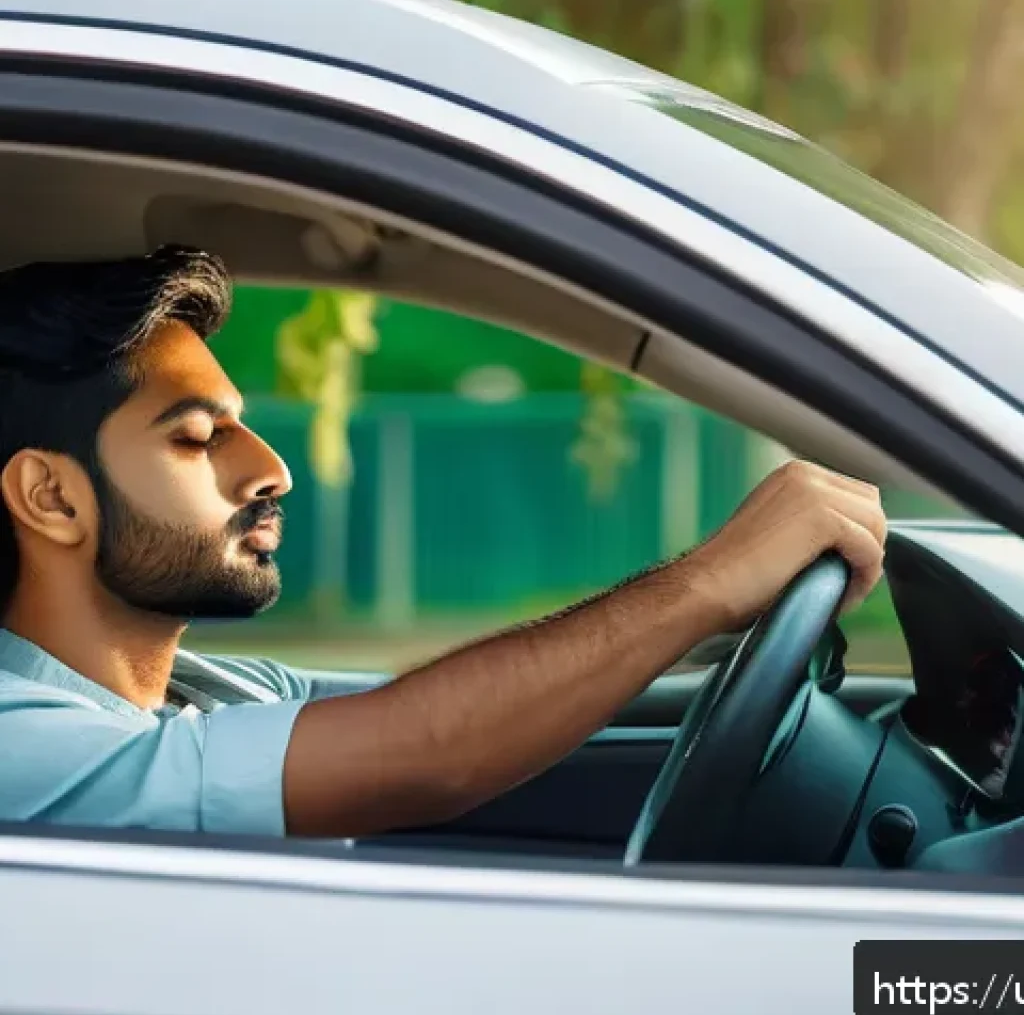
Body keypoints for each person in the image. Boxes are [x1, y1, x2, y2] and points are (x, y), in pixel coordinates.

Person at [0, 246, 887, 838]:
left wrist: (718, 633)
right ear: (51, 497)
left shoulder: (213, 689)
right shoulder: (20, 747)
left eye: (245, 428)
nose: (272, 470)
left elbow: (471, 705)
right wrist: (706, 583)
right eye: (199, 438)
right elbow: (424, 746)